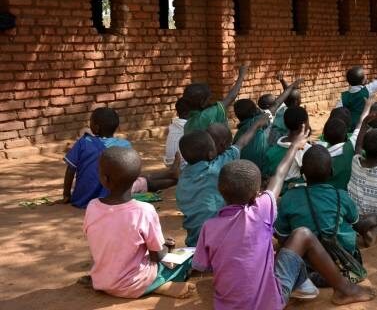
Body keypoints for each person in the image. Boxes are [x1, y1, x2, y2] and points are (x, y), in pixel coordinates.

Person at [193, 131, 374, 309]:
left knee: (273, 248)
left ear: (220, 191)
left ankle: (305, 285)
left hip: (226, 306)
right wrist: (294, 146)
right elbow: (279, 175)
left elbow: (202, 266)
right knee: (302, 234)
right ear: (256, 195)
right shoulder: (261, 210)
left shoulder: (209, 227)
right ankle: (344, 289)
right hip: (269, 303)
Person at [83, 147, 195, 299]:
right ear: (137, 179)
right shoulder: (144, 210)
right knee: (187, 260)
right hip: (135, 282)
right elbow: (157, 256)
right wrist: (166, 248)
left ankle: (150, 285)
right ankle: (158, 285)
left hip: (102, 281)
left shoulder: (92, 206)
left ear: (104, 179)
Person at [176, 117, 267, 246]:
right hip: (219, 239)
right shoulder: (216, 167)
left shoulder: (183, 175)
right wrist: (257, 124)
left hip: (193, 240)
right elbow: (241, 143)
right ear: (211, 154)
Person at [275, 145, 364, 261]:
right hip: (342, 257)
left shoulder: (288, 198)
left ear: (302, 171)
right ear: (331, 171)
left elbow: (282, 237)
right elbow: (355, 223)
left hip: (306, 259)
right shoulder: (341, 196)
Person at [62, 107, 132, 208]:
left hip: (82, 199)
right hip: (114, 200)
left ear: (96, 128)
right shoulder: (124, 145)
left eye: (90, 121)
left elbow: (70, 170)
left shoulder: (83, 142)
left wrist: (67, 195)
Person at [233, 77, 303, 170]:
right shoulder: (260, 121)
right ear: (255, 112)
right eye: (256, 108)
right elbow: (277, 103)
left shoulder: (237, 136)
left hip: (244, 171)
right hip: (263, 169)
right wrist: (292, 86)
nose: (259, 109)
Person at [347, 113, 377, 246]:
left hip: (353, 218)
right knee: (376, 219)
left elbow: (358, 146)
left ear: (365, 149)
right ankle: (370, 230)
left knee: (351, 216)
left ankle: (357, 229)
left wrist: (364, 124)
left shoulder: (355, 162)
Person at [183, 65, 248, 134]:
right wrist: (241, 75)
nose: (211, 101)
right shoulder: (208, 114)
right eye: (209, 99)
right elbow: (231, 97)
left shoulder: (188, 123)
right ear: (202, 102)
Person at [262, 106, 312, 193]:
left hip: (274, 193)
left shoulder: (271, 152)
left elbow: (266, 177)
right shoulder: (307, 151)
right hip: (299, 194)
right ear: (303, 126)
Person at [337, 51, 377, 130]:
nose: (366, 77)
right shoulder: (367, 89)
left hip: (350, 128)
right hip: (365, 126)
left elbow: (337, 113)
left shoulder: (343, 97)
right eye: (365, 76)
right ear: (363, 81)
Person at [268, 71, 303, 145]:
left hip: (273, 139)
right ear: (296, 102)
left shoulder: (280, 108)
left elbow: (287, 93)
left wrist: (282, 80)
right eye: (300, 98)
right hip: (285, 142)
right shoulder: (297, 115)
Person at [163, 97, 189, 169]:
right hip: (182, 166)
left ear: (177, 113)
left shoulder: (173, 124)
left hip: (170, 164)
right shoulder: (189, 126)